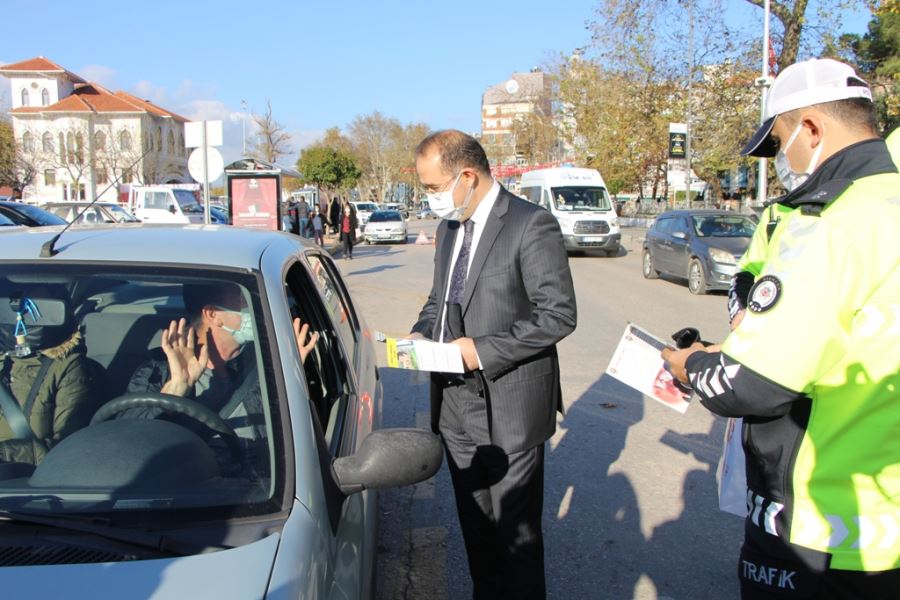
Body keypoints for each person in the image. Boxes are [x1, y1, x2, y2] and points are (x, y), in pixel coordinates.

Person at [663, 58, 900, 599]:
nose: (780, 162)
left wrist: (692, 365)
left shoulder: (835, 221)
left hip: (821, 527)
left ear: (812, 128)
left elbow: (752, 382)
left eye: (780, 143)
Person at [408, 130, 576, 599]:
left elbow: (558, 314)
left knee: (515, 540)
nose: (430, 199)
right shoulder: (449, 228)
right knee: (477, 532)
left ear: (467, 176)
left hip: (510, 407)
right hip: (455, 406)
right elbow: (440, 299)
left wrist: (479, 350)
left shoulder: (530, 224)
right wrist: (422, 334)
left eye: (433, 188)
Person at [127, 282, 318, 419]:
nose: (257, 308)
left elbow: (284, 431)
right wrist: (174, 390)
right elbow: (125, 443)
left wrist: (289, 377)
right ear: (212, 314)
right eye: (245, 300)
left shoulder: (265, 358)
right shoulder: (158, 370)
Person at [0, 285, 102, 464]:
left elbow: (67, 447)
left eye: (32, 300)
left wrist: (5, 453)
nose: (20, 306)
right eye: (14, 296)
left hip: (27, 482)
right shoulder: (4, 361)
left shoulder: (69, 366)